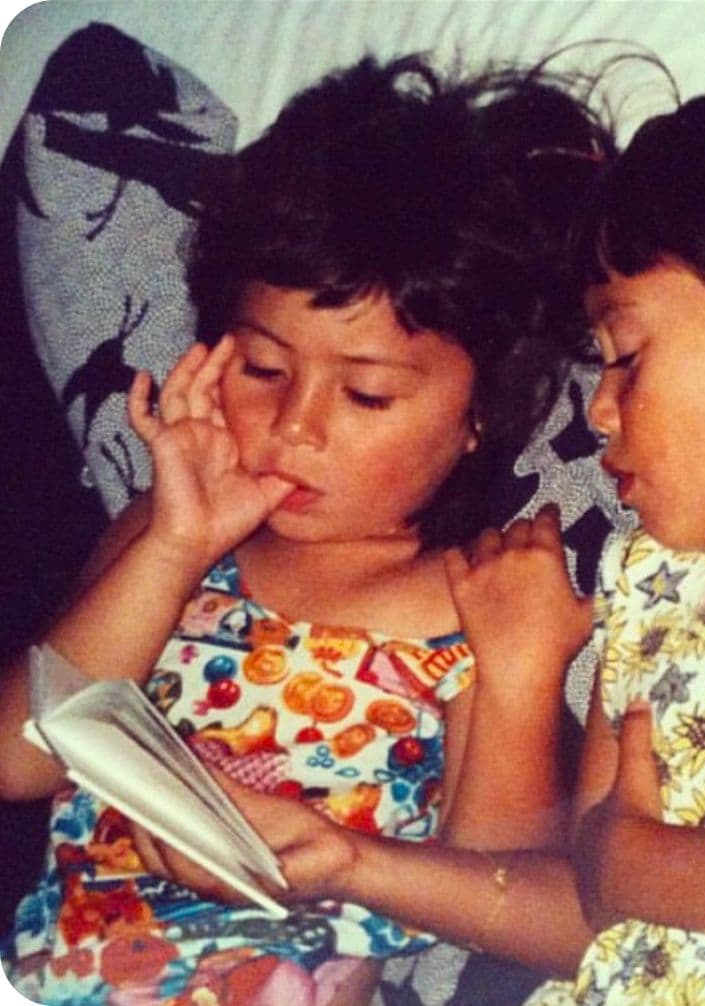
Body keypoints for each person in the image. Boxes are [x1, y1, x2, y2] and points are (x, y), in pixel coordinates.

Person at [127, 19, 705, 1006]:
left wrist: (633, 863)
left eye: (627, 356)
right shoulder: (650, 580)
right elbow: (576, 918)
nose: (598, 408)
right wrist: (346, 861)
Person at [0, 53, 612, 1006]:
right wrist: (173, 547)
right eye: (261, 368)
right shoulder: (160, 541)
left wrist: (525, 676)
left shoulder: (468, 605)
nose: (296, 427)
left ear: (479, 415)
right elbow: (16, 760)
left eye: (367, 394)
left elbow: (508, 908)